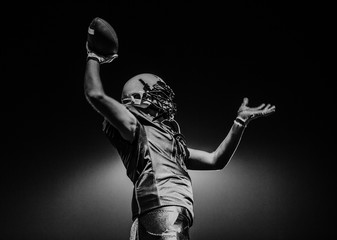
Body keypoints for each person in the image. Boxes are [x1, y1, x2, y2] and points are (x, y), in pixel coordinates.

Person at [84, 43, 275, 240]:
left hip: (173, 213)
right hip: (160, 209)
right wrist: (94, 56)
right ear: (138, 98)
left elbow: (215, 160)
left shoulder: (170, 139)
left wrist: (240, 122)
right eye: (157, 93)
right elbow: (95, 94)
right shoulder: (135, 126)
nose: (164, 98)